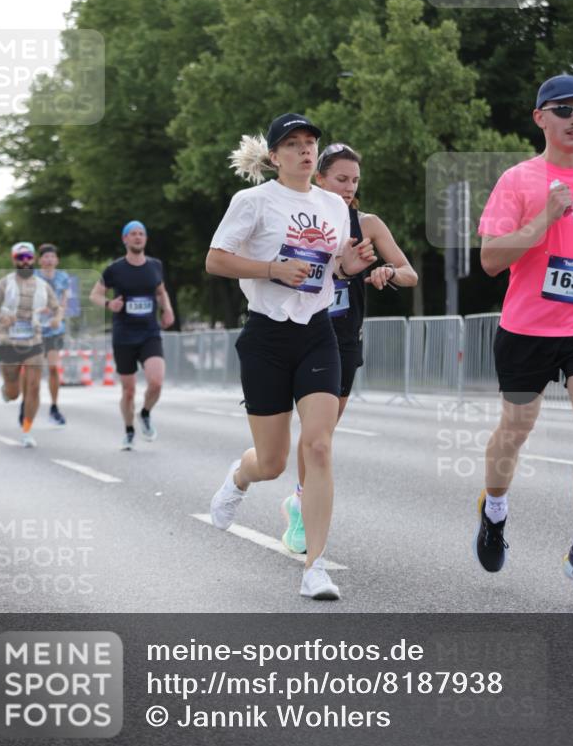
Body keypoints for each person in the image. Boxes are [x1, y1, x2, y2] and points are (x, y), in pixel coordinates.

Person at [206, 114, 377, 600]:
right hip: (266, 336)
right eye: (294, 144)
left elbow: (333, 267)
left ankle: (315, 567)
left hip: (318, 333)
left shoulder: (332, 204)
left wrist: (350, 265)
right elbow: (215, 259)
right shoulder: (253, 201)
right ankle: (239, 479)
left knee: (318, 446)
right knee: (272, 462)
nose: (305, 151)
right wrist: (272, 269)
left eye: (310, 143)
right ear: (275, 155)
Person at [476, 73, 573, 599]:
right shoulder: (517, 180)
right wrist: (545, 217)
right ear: (541, 118)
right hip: (527, 328)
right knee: (515, 431)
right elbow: (491, 259)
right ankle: (494, 511)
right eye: (564, 110)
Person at [281, 143, 418, 554]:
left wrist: (388, 271)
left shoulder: (368, 223)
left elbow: (409, 273)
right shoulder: (299, 217)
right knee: (315, 436)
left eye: (354, 180)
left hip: (343, 338)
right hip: (302, 332)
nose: (348, 187)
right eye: (341, 178)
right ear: (320, 177)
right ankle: (304, 512)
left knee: (322, 433)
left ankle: (300, 498)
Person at [89, 221, 174, 450]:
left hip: (149, 333)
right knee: (128, 391)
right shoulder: (115, 269)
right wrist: (109, 303)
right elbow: (94, 295)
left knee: (156, 382)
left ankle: (145, 413)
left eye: (141, 234)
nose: (138, 237)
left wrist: (167, 309)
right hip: (124, 336)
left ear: (145, 239)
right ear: (125, 239)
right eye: (133, 234)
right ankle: (128, 430)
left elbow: (161, 291)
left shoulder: (155, 265)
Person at [0, 242, 63, 448]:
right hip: (9, 342)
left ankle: (27, 429)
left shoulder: (43, 285)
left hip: (34, 340)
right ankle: (8, 389)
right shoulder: (4, 283)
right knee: (14, 393)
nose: (25, 261)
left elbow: (57, 307)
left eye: (28, 257)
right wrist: (1, 316)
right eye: (21, 257)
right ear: (14, 260)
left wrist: (57, 318)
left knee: (34, 386)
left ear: (33, 259)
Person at [33, 243, 70, 426]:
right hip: (36, 329)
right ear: (40, 261)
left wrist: (58, 316)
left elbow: (64, 302)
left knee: (53, 367)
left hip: (55, 329)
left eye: (52, 257)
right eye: (45, 257)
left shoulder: (63, 277)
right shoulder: (33, 277)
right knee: (35, 370)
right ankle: (28, 404)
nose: (49, 260)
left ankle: (54, 407)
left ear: (57, 260)